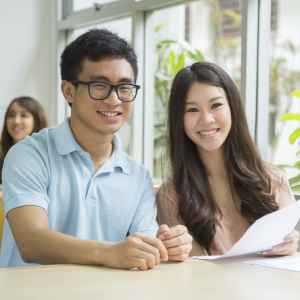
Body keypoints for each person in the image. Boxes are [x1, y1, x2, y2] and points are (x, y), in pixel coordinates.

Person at [0, 29, 192, 269]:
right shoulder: (29, 155)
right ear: (68, 91)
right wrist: (110, 253)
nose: (114, 100)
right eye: (100, 86)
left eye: (124, 87)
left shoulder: (137, 176)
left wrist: (167, 246)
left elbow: (142, 251)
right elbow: (31, 242)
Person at [157, 61, 299, 256]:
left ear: (232, 107)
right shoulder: (172, 196)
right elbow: (192, 272)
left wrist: (291, 243)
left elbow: (290, 247)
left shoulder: (274, 180)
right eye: (192, 110)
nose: (206, 119)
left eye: (216, 105)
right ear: (178, 119)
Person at [0, 96, 48, 184]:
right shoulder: (2, 155)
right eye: (11, 115)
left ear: (37, 120)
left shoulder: (47, 158)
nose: (16, 121)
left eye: (24, 115)